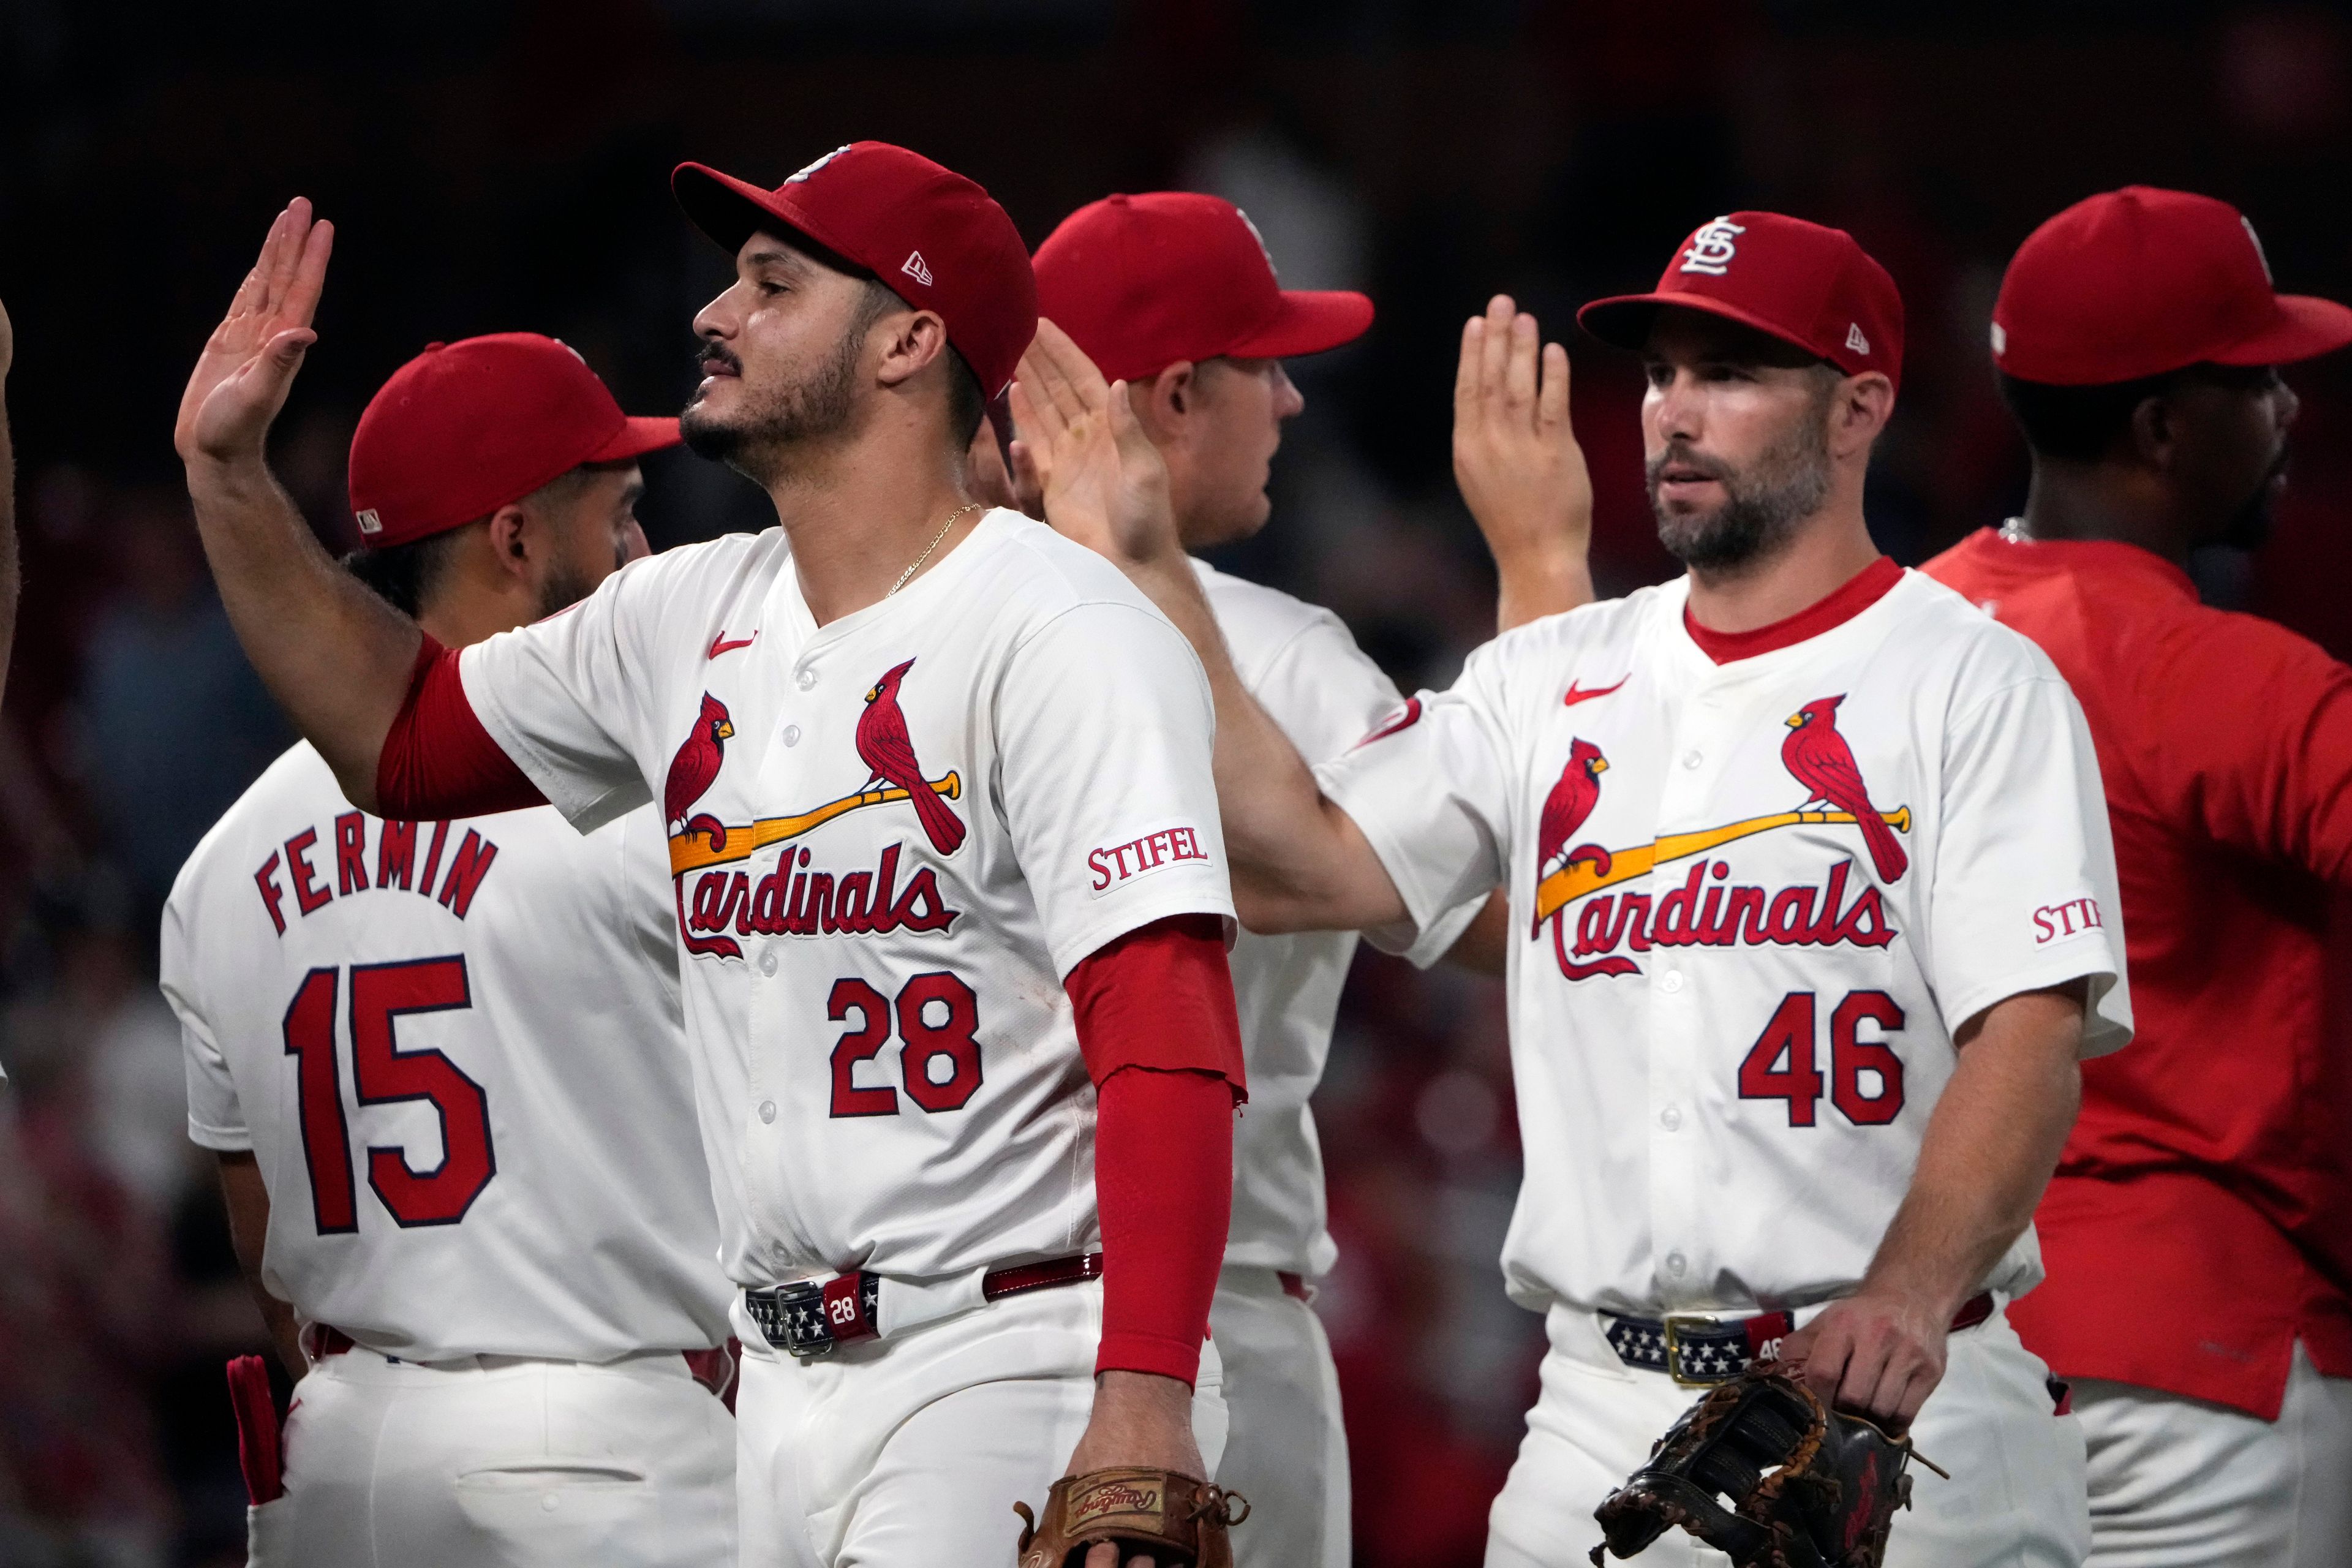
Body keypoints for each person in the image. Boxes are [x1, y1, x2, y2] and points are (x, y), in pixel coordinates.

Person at [172, 145, 1243, 1568]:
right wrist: (228, 477)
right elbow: (402, 741)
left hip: (1006, 1353)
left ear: (911, 341)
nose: (714, 313)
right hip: (776, 1389)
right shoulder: (683, 613)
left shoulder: (1059, 627)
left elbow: (1166, 1021)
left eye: (773, 282)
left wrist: (1146, 1394)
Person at [1019, 209, 2130, 1568]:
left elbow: (2031, 1033)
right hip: (1593, 1411)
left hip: (1896, 1404)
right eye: (1662, 371)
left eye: (1729, 372)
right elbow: (1300, 858)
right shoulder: (1553, 673)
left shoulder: (1973, 676)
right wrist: (1143, 561)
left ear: (1859, 409)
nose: (1674, 411)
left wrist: (1907, 1290)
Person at [1024, 190, 1588, 1568]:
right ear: (1169, 397)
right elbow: (1563, 912)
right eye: (1261, 366)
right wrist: (1542, 575)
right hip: (1213, 1325)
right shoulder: (1278, 654)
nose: (1286, 401)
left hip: (910, 1340)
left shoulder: (885, 635)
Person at [160, 333, 736, 1567]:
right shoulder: (646, 805)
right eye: (620, 513)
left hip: (343, 1458)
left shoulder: (219, 864)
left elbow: (263, 1239)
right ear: (516, 540)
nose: (643, 550)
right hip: (604, 1447)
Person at [1922, 186, 2352, 1568]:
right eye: (2258, 377)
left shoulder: (1892, 638)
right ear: (2164, 425)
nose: (2289, 406)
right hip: (2203, 1369)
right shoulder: (2233, 680)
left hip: (1934, 1351)